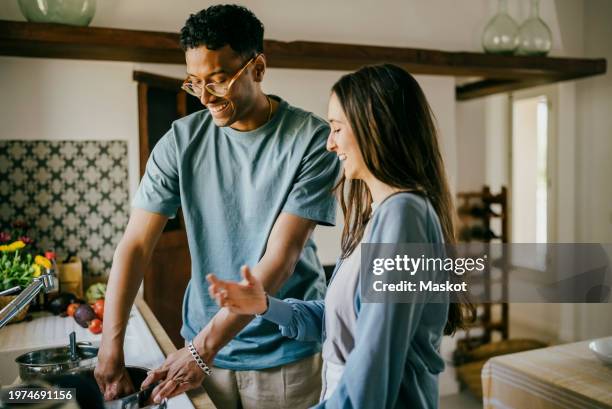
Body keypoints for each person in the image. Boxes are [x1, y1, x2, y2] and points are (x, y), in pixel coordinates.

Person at [94, 5, 340, 409]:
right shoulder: (180, 142)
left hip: (285, 355)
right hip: (202, 347)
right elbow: (135, 245)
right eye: (194, 83)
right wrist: (110, 346)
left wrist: (200, 351)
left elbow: (280, 261)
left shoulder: (312, 140)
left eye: (219, 80)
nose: (205, 97)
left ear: (258, 68)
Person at [208, 64, 471, 408]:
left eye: (336, 129)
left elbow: (374, 367)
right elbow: (343, 319)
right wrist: (266, 306)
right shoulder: (378, 215)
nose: (330, 144)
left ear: (373, 127)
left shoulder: (404, 217)